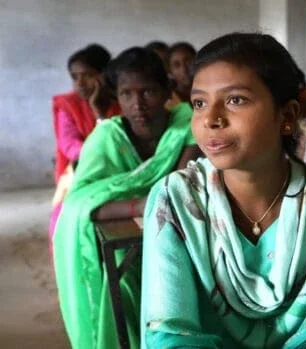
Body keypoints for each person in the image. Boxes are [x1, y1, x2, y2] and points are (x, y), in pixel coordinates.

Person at [141, 32, 306, 349]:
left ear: (288, 116)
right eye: (199, 103)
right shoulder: (177, 201)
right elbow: (171, 333)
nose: (211, 119)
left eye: (235, 100)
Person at [53, 47, 200, 348]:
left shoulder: (186, 126)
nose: (138, 105)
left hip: (179, 234)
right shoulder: (106, 137)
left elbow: (178, 188)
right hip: (128, 242)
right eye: (126, 94)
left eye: (148, 92)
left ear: (168, 90)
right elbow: (80, 203)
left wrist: (128, 205)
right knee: (122, 278)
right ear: (116, 97)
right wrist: (143, 205)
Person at [50, 44, 121, 251]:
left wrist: (99, 112)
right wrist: (98, 152)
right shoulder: (68, 105)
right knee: (64, 218)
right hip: (81, 170)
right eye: (75, 77)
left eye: (88, 75)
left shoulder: (122, 99)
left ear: (104, 75)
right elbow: (70, 145)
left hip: (121, 167)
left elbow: (124, 143)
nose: (80, 83)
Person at [165, 42, 196, 109]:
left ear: (197, 62)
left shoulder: (211, 91)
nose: (184, 69)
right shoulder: (169, 101)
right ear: (170, 71)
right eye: (176, 65)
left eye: (188, 62)